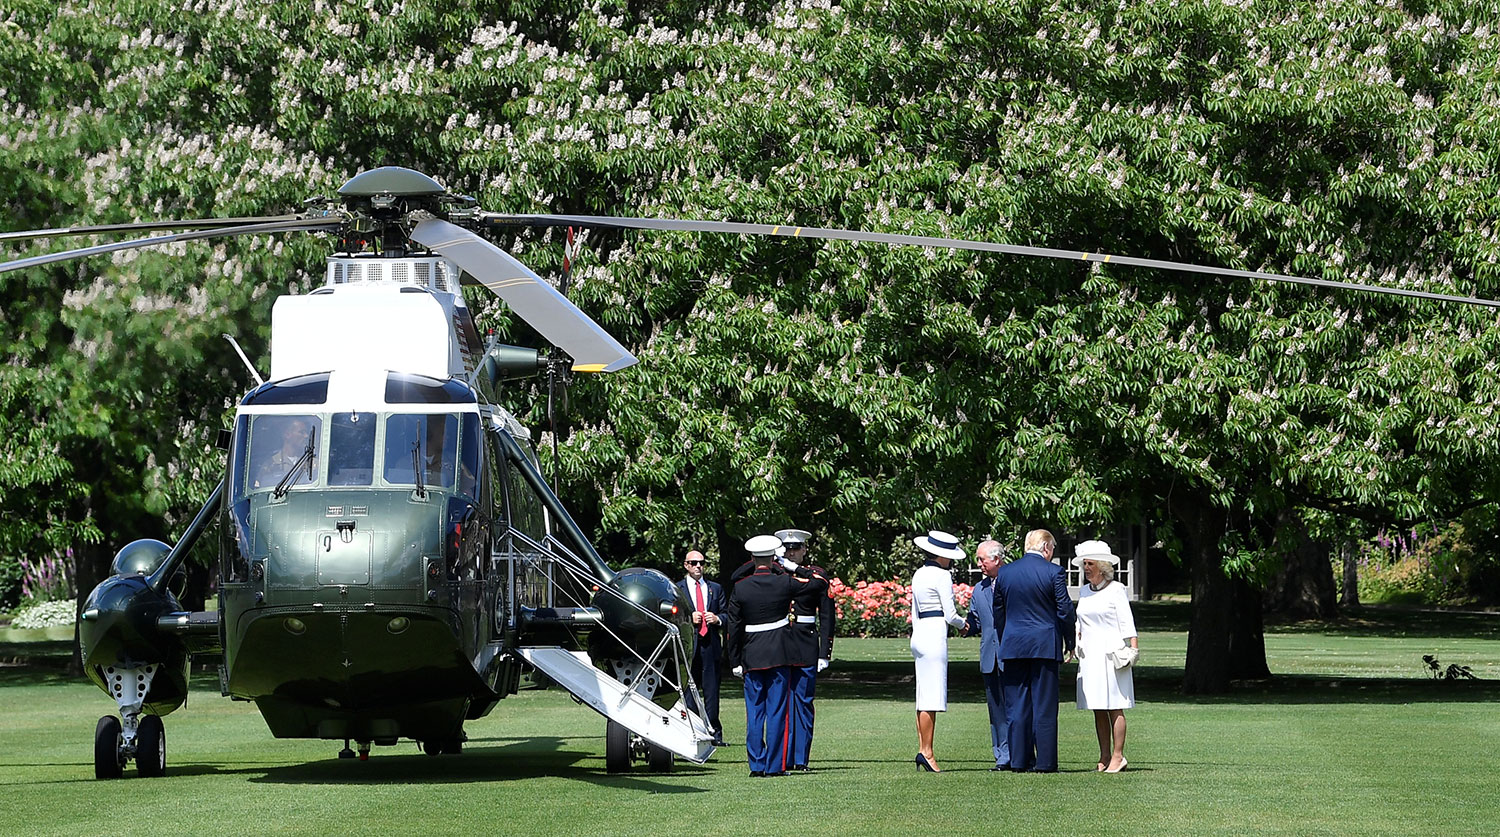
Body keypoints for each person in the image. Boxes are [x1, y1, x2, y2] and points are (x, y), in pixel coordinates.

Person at [727, 534, 827, 777]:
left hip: (752, 654)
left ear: (751, 559)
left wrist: (734, 660)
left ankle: (756, 765)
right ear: (774, 558)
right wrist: (793, 567)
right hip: (779, 655)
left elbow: (733, 627)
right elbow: (819, 583)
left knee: (754, 713)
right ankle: (774, 766)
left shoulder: (741, 587)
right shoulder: (784, 582)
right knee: (776, 712)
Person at [992, 528, 1076, 773]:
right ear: (1047, 548)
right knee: (1045, 705)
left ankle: (1019, 760)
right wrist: (1069, 641)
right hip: (1044, 645)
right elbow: (1065, 610)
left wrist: (1005, 636)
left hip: (1014, 644)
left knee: (1016, 705)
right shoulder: (1054, 572)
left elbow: (999, 610)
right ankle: (1046, 762)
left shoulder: (1006, 572)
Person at [1072, 540, 1138, 773]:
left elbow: (1127, 623)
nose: (1086, 568)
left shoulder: (1116, 589)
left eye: (1090, 564)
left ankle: (1119, 756)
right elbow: (1079, 622)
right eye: (1084, 564)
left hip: (1111, 654)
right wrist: (1074, 644)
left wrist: (1132, 649)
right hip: (1090, 655)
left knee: (1114, 706)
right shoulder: (1083, 591)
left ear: (1102, 566)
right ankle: (1104, 755)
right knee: (1097, 706)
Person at [909, 530, 968, 773]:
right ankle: (927, 752)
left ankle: (924, 748)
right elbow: (950, 613)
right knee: (931, 697)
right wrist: (964, 624)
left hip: (920, 633)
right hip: (933, 635)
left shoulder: (919, 573)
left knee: (923, 696)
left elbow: (914, 609)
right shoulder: (942, 575)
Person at [776, 527, 833, 773]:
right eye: (787, 549)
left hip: (806, 643)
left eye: (796, 548)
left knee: (803, 703)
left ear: (804, 550)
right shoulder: (775, 572)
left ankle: (801, 759)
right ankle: (783, 758)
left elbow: (827, 614)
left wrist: (824, 653)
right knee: (782, 704)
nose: (791, 553)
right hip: (780, 643)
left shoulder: (815, 574)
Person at [963, 539, 1008, 770]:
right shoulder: (979, 589)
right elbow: (975, 619)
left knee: (1015, 709)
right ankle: (1001, 756)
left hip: (1012, 656)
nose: (979, 563)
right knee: (996, 711)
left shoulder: (1012, 583)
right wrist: (963, 624)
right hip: (989, 657)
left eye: (982, 559)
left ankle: (1019, 754)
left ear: (997, 559)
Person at [677, 549, 727, 747]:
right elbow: (671, 617)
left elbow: (727, 615)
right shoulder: (678, 589)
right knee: (689, 691)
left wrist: (717, 619)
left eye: (702, 563)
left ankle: (715, 732)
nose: (699, 566)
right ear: (686, 565)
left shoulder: (715, 588)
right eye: (694, 563)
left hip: (711, 645)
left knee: (712, 691)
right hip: (689, 646)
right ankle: (693, 732)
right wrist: (689, 619)